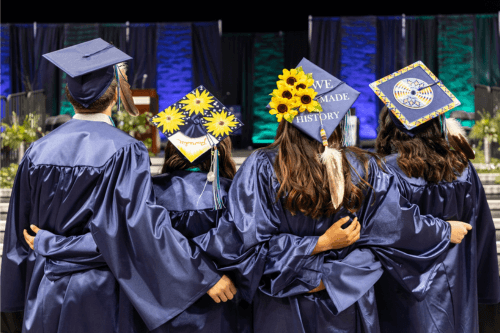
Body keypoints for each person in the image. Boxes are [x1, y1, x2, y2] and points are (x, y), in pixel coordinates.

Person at [188, 58, 471, 332]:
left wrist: (312, 268)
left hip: (284, 303)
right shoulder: (363, 166)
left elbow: (242, 243)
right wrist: (326, 253)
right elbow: (393, 231)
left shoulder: (262, 166)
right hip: (345, 303)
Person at [1, 39, 234, 333]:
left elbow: (18, 238)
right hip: (102, 294)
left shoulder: (36, 152)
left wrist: (12, 306)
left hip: (44, 289)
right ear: (116, 95)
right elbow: (137, 230)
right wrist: (202, 275)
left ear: (69, 96)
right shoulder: (126, 151)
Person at [371, 61, 500, 333]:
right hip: (459, 291)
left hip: (403, 298)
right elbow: (484, 234)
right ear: (437, 123)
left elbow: (384, 234)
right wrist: (486, 294)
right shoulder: (462, 169)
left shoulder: (387, 171)